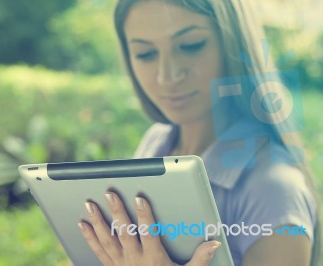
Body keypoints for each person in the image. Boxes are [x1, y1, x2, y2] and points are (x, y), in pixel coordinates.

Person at [76, 0, 320, 265]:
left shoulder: (274, 189)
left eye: (191, 46)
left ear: (234, 46)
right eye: (145, 53)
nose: (167, 76)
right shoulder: (156, 142)